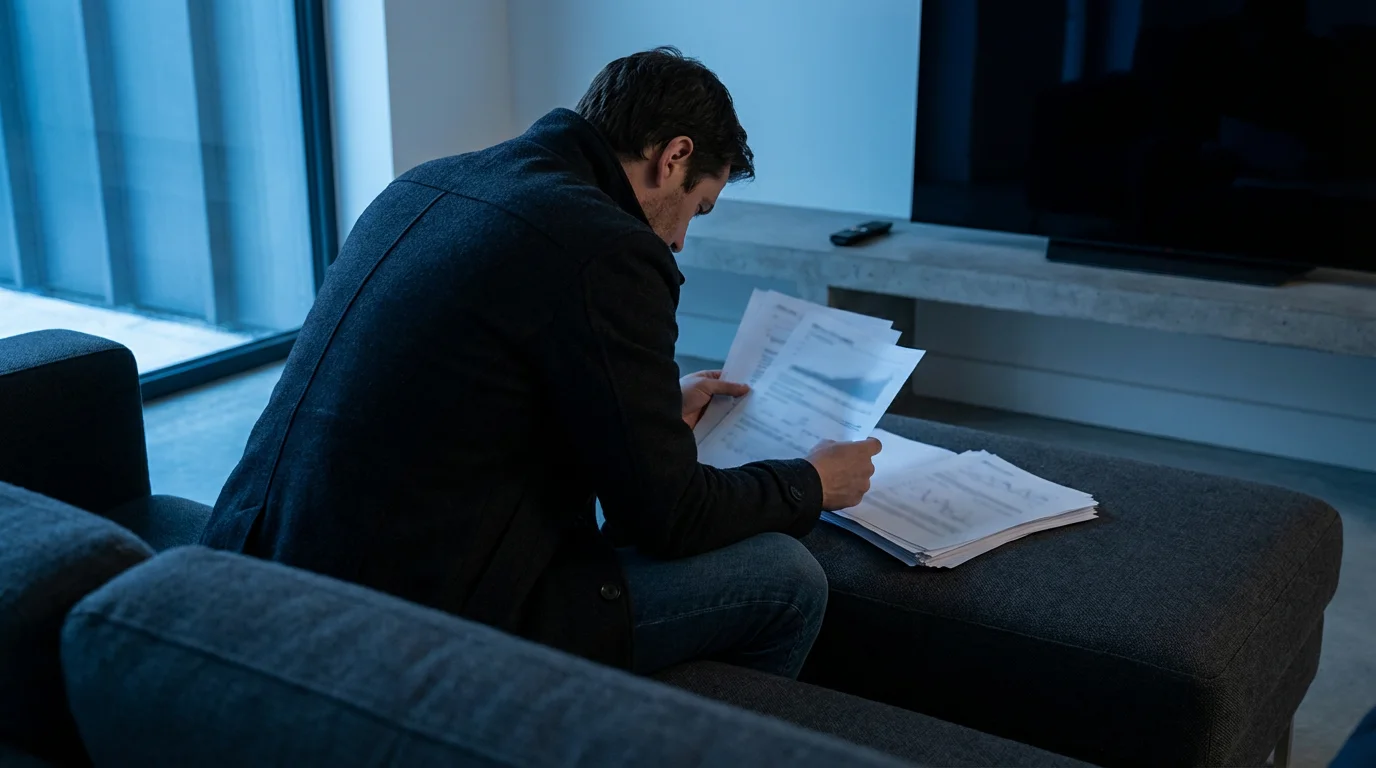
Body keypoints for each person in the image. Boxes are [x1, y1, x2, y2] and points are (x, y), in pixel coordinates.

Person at [200, 47, 881, 679]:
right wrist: (810, 483)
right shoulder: (607, 247)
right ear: (673, 156)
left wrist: (644, 407)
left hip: (251, 552)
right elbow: (670, 518)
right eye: (696, 210)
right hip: (411, 614)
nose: (677, 239)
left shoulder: (427, 185)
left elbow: (475, 388)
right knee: (786, 578)